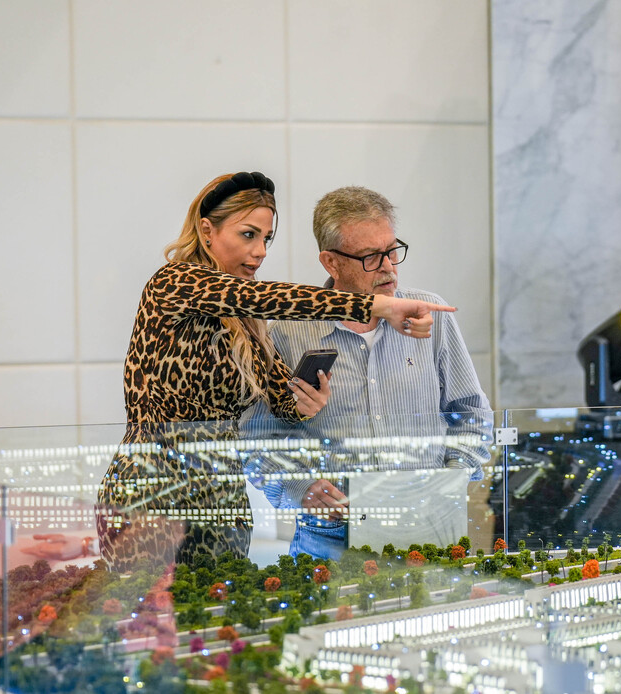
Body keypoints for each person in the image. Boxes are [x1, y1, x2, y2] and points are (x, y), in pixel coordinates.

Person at [94, 172, 455, 571]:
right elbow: (263, 297)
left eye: (267, 238)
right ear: (207, 230)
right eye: (248, 235)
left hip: (221, 498)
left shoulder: (247, 319)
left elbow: (280, 403)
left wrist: (304, 403)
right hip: (153, 490)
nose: (260, 251)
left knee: (217, 607)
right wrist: (378, 305)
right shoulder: (174, 282)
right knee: (148, 607)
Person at [246, 186, 491, 561]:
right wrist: (300, 487)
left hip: (428, 533)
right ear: (331, 262)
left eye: (392, 250)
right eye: (371, 257)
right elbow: (257, 438)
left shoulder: (431, 315)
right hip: (330, 542)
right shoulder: (287, 332)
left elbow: (472, 414)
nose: (389, 267)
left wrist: (451, 478)